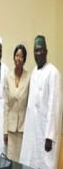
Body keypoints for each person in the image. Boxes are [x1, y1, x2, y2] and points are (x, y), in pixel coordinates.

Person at [20, 35, 62, 169]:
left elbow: (54, 107)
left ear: (46, 51)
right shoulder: (34, 73)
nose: (38, 53)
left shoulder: (53, 73)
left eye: (40, 50)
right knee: (30, 163)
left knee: (45, 164)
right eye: (35, 50)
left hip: (46, 135)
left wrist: (50, 136)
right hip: (33, 132)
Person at [3, 44, 30, 162]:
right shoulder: (8, 77)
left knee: (22, 162)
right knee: (11, 162)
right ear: (13, 57)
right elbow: (6, 105)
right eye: (17, 55)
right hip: (11, 129)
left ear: (24, 59)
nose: (18, 59)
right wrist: (5, 131)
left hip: (23, 129)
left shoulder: (29, 77)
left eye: (21, 56)